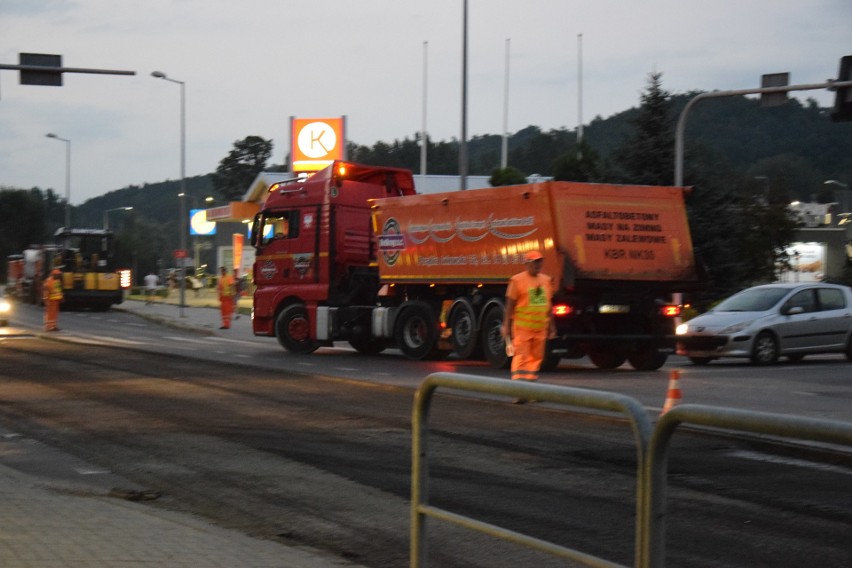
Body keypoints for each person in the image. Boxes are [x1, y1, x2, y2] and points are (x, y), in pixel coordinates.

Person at [501, 250, 556, 403]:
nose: (538, 265)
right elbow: (510, 305)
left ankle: (531, 391)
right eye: (534, 262)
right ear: (527, 264)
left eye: (539, 261)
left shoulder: (545, 280)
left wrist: (552, 327)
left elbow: (548, 305)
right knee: (521, 359)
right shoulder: (517, 280)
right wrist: (506, 325)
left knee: (536, 359)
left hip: (540, 329)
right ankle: (519, 391)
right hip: (522, 329)